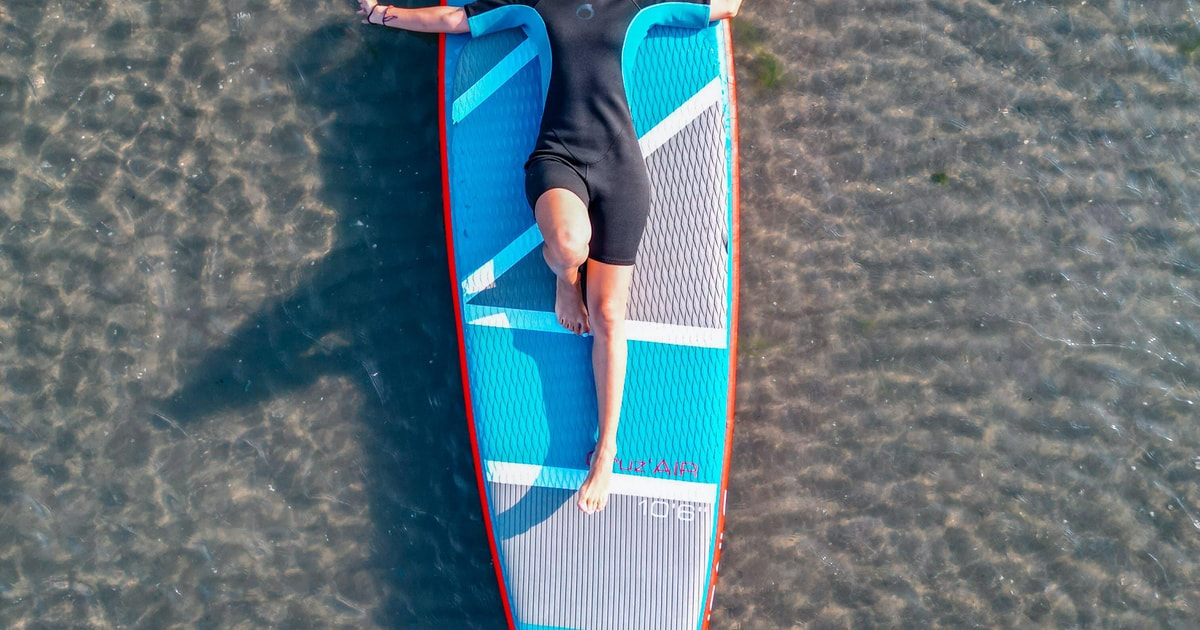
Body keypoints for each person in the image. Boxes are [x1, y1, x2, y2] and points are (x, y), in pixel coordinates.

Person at [357, 0, 740, 514]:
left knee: (608, 315)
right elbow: (455, 21)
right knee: (566, 242)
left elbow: (727, 5)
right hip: (557, 157)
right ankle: (566, 277)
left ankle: (606, 451)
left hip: (621, 168)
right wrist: (383, 13)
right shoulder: (532, 1)